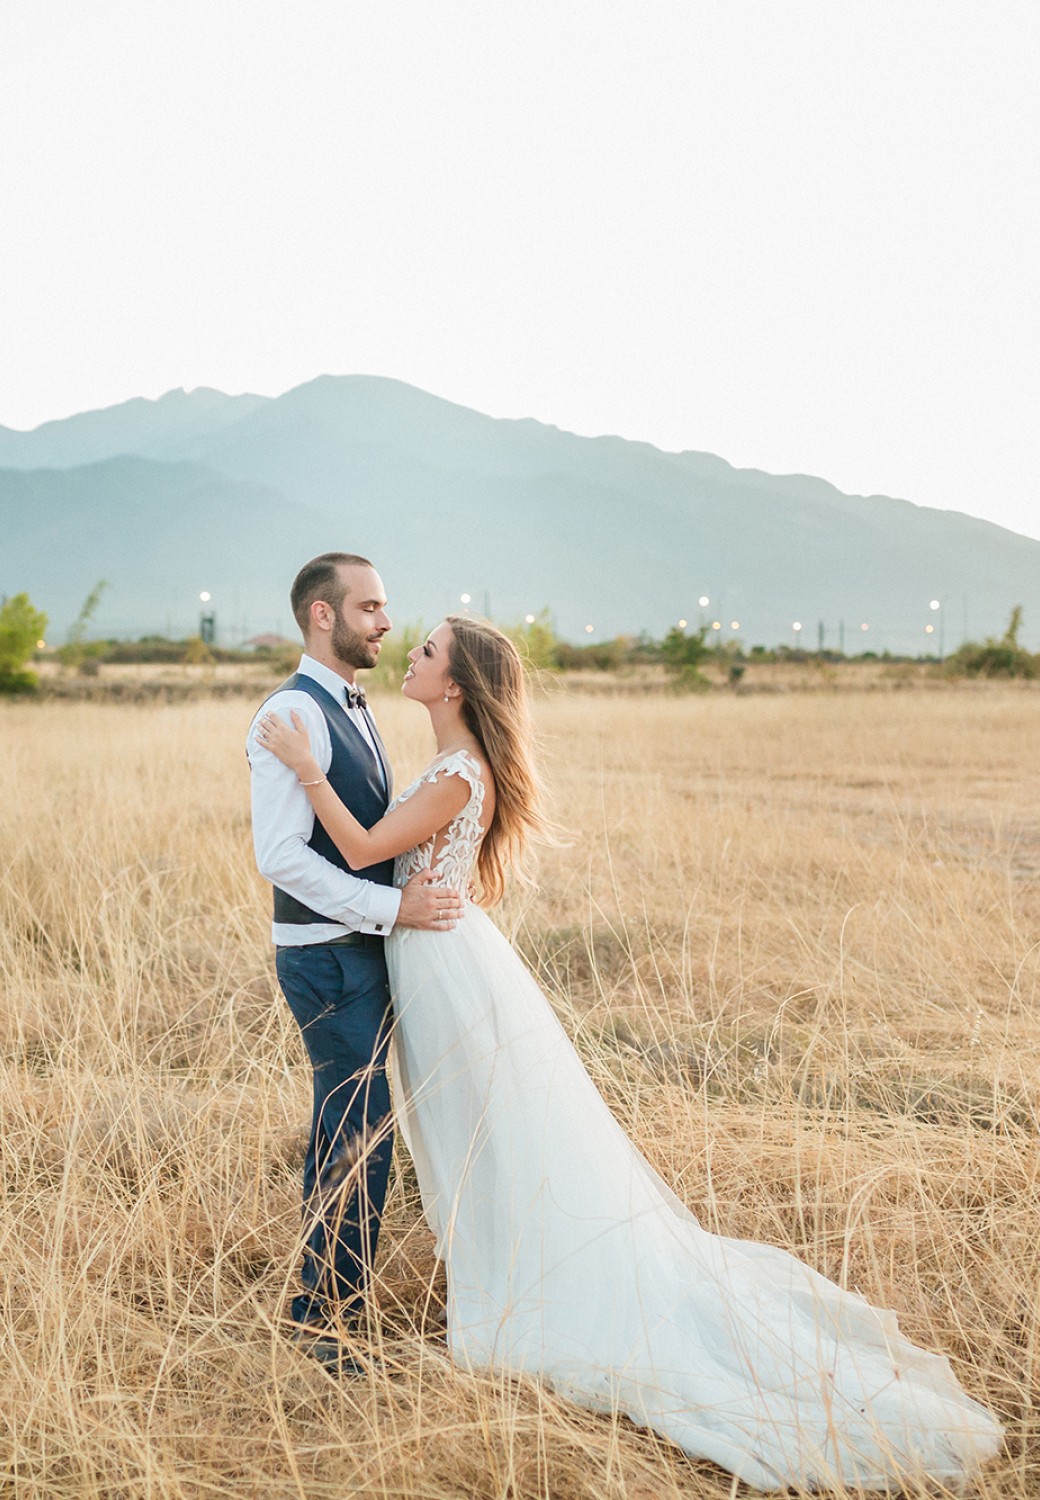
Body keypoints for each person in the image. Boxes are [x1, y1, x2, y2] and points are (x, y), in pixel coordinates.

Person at [254, 613, 1003, 1491]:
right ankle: (492, 1281)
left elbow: (364, 847)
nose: (409, 654)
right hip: (431, 958)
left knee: (495, 1138)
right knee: (472, 1139)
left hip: (445, 966)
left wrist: (307, 771)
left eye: (426, 651)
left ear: (455, 684)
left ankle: (529, 1295)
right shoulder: (449, 762)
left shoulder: (460, 771)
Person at [247, 553, 464, 1371]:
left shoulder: (351, 703)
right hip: (326, 957)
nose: (385, 623)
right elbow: (281, 857)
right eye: (370, 607)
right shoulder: (289, 714)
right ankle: (322, 1327)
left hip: (357, 950)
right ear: (323, 616)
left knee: (359, 1133)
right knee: (354, 1137)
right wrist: (392, 908)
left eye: (386, 607)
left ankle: (332, 1307)